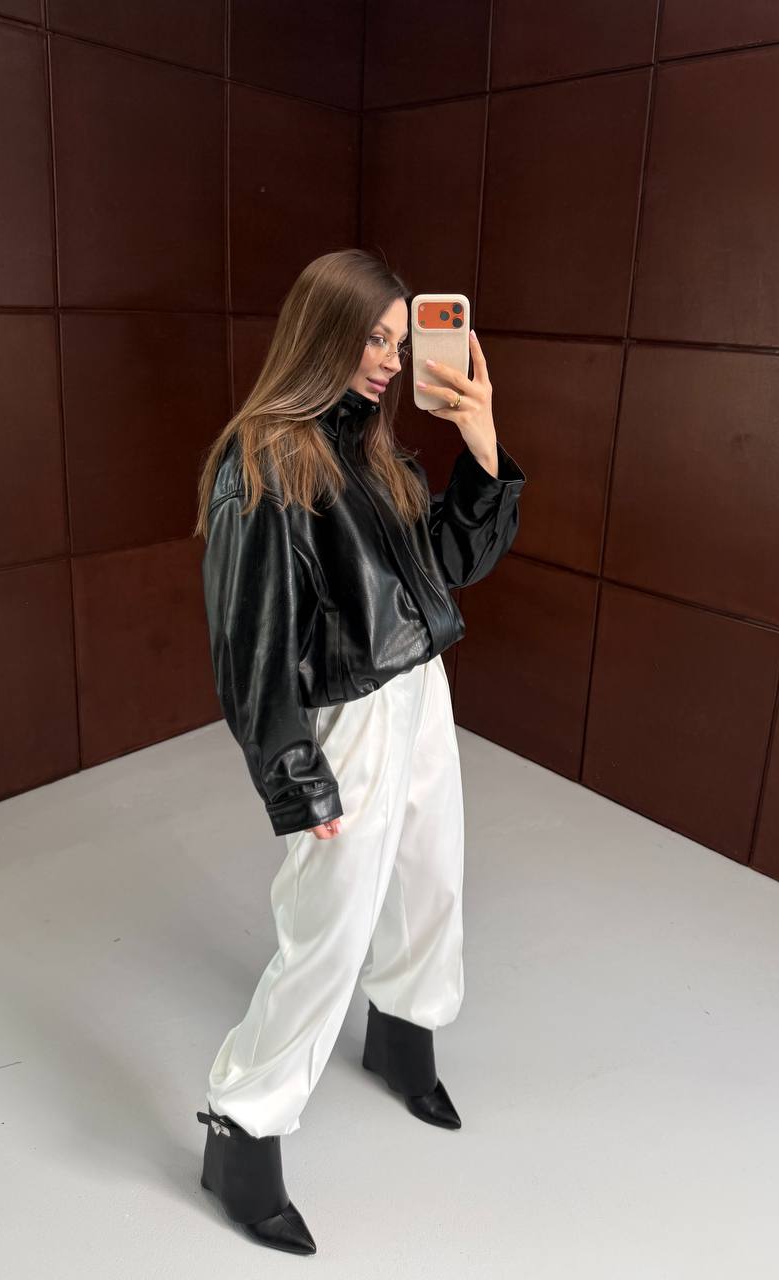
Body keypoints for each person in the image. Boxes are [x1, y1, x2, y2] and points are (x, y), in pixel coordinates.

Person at [191, 249, 526, 1255]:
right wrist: (297, 778)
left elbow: (452, 563)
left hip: (420, 692)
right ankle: (241, 1128)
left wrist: (482, 446)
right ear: (322, 331)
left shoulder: (377, 450)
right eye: (372, 338)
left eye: (398, 339)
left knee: (430, 880)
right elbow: (250, 647)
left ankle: (402, 1036)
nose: (388, 359)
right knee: (329, 926)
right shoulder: (264, 461)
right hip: (347, 716)